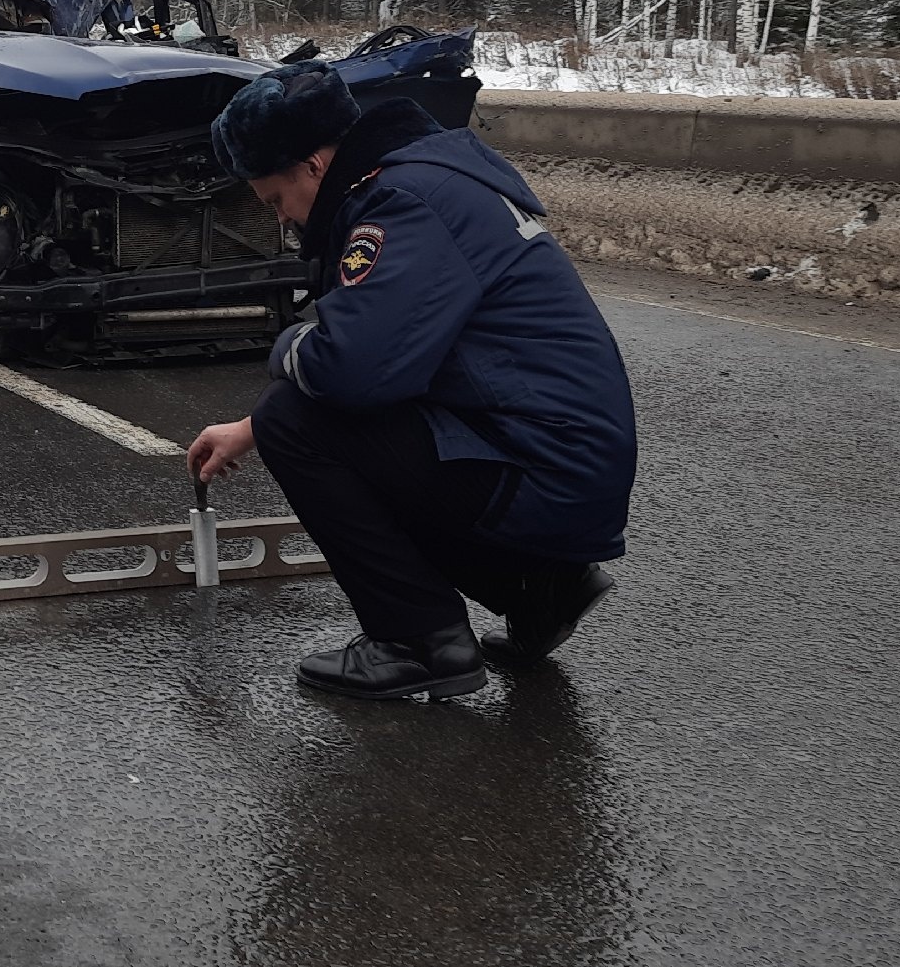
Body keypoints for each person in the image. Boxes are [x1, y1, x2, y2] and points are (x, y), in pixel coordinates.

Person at [186, 61, 637, 702]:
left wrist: (286, 348)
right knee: (302, 419)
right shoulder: (430, 176)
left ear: (314, 165)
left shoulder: (402, 204)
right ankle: (541, 590)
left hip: (544, 473)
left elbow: (350, 369)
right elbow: (399, 358)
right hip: (561, 460)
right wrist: (247, 429)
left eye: (276, 201)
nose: (284, 222)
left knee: (298, 421)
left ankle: (418, 640)